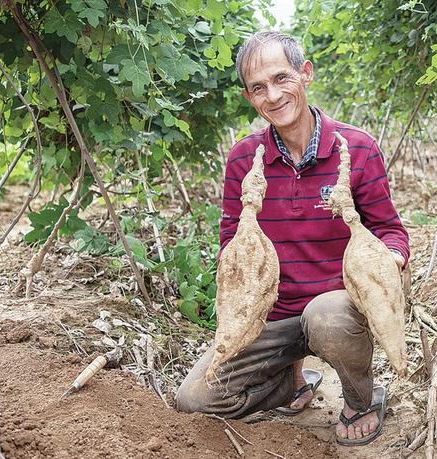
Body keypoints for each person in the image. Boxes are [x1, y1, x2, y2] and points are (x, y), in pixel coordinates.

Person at [175, 31, 410, 446]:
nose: (273, 95)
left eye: (282, 78)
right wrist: (236, 299)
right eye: (259, 87)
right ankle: (291, 381)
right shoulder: (244, 159)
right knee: (194, 399)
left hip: (336, 311)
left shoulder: (357, 148)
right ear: (250, 98)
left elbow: (390, 229)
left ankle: (360, 398)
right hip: (274, 315)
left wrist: (387, 260)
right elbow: (233, 241)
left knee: (327, 317)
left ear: (305, 74)